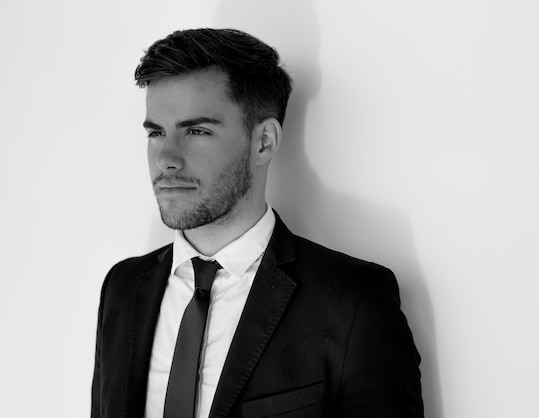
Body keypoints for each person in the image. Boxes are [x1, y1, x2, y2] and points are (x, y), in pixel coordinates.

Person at [91, 28, 424, 418]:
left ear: (264, 141)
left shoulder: (352, 302)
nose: (167, 158)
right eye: (156, 133)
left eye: (196, 131)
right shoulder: (123, 286)